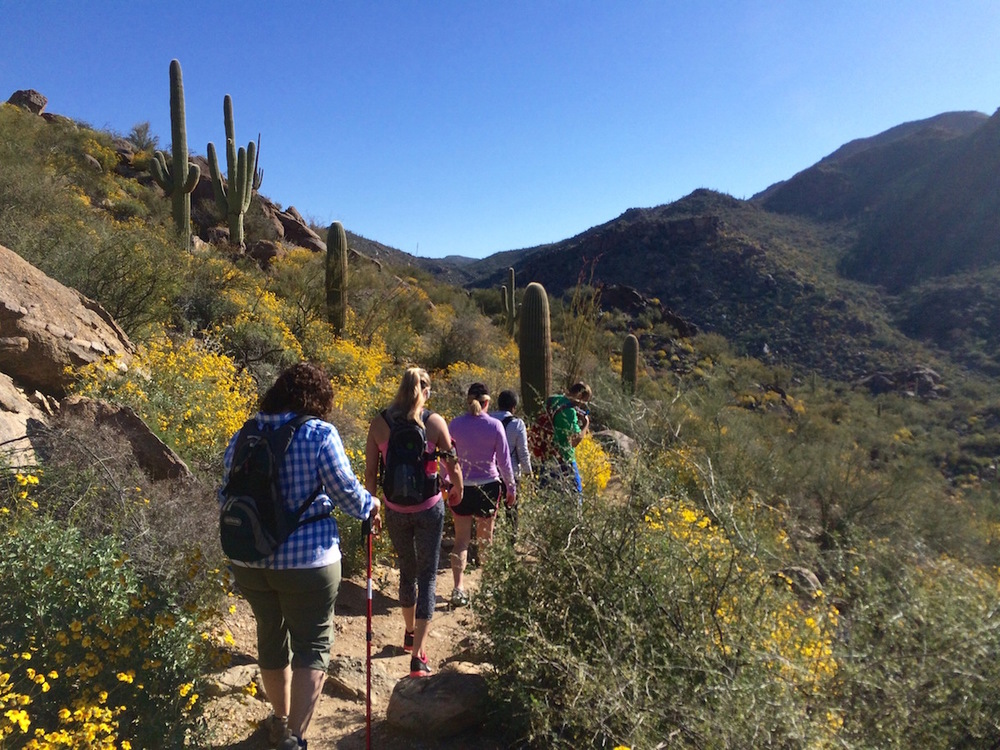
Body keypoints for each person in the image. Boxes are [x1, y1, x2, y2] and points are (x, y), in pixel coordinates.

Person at [219, 363, 380, 750]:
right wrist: (371, 505)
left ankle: (279, 720)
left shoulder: (244, 433)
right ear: (317, 399)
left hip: (249, 560)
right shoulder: (319, 433)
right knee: (312, 645)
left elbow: (225, 493)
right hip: (308, 561)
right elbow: (347, 494)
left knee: (271, 638)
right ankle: (296, 738)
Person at [365, 367, 462, 678]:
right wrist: (456, 487)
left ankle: (409, 632)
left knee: (407, 572)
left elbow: (370, 473)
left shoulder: (379, 423)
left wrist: (373, 507)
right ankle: (418, 655)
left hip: (394, 508)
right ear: (427, 391)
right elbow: (451, 460)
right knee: (428, 575)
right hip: (429, 506)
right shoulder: (433, 421)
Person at [447, 382, 516, 607]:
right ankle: (486, 587)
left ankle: (458, 589)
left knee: (461, 541)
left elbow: (446, 458)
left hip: (462, 487)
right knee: (486, 540)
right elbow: (505, 462)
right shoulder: (495, 426)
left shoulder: (454, 425)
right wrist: (511, 488)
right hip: (488, 486)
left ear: (468, 402)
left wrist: (447, 484)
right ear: (487, 402)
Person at [491, 389, 531, 542]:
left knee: (490, 510)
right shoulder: (517, 424)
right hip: (511, 473)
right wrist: (528, 472)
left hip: (490, 473)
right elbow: (523, 451)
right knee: (511, 510)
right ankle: (511, 542)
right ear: (514, 406)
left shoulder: (487, 419)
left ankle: (488, 541)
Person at [543, 381, 592, 495]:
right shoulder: (569, 411)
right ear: (579, 395)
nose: (583, 405)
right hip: (564, 457)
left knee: (547, 495)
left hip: (548, 454)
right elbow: (574, 441)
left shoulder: (553, 399)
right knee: (576, 494)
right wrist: (586, 424)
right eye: (584, 401)